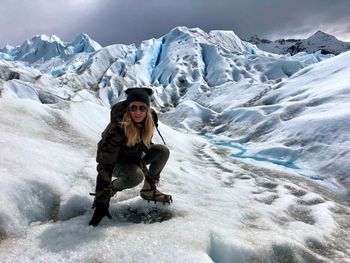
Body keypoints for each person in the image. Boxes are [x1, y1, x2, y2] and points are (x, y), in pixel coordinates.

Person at [89, 87, 172, 226]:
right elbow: (105, 165)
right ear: (128, 108)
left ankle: (149, 190)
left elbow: (144, 143)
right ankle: (112, 188)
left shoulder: (149, 120)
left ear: (147, 109)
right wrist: (101, 202)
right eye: (133, 107)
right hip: (116, 162)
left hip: (133, 156)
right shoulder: (117, 129)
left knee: (162, 151)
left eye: (142, 108)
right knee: (135, 176)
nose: (138, 112)